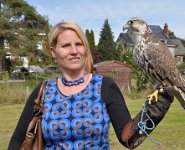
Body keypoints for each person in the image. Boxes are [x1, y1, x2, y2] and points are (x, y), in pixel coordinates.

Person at [8, 21, 174, 150]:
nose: (74, 51)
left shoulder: (104, 86)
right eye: (66, 45)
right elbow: (17, 141)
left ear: (85, 48)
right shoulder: (43, 91)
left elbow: (128, 138)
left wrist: (150, 114)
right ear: (53, 51)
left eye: (78, 44)